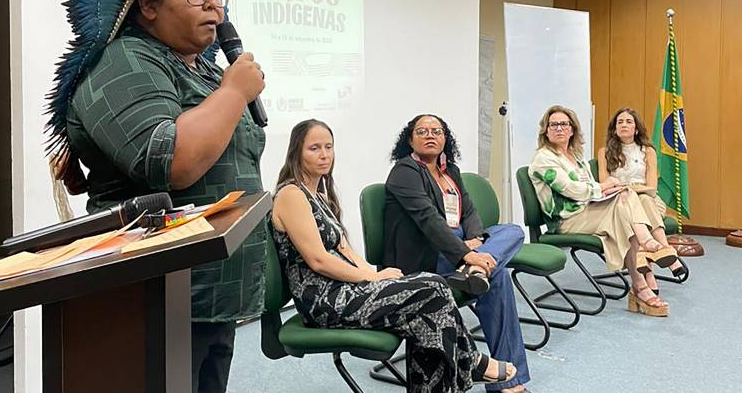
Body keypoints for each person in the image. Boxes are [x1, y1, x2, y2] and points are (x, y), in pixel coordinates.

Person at [45, 0, 266, 391]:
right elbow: (173, 160)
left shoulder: (204, 68)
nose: (215, 6)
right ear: (146, 5)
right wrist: (236, 92)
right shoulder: (126, 60)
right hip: (158, 295)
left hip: (209, 291)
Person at [270, 119, 517, 392]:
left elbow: (345, 251)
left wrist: (374, 276)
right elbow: (318, 260)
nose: (324, 154)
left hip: (344, 290)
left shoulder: (318, 195)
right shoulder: (292, 194)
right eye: (314, 148)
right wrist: (369, 277)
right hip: (324, 301)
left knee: (425, 319)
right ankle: (468, 359)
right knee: (430, 289)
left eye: (328, 147)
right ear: (296, 152)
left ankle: (455, 371)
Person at [383, 114, 531, 393]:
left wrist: (476, 240)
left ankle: (478, 271)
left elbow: (471, 211)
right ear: (410, 139)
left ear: (445, 138)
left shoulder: (449, 170)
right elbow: (428, 220)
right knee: (499, 278)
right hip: (428, 254)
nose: (430, 135)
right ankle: (509, 385)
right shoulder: (405, 171)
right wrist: (466, 255)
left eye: (437, 131)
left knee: (512, 230)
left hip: (463, 250)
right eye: (422, 131)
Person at [529, 105, 678, 317]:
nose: (559, 128)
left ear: (572, 130)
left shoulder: (575, 156)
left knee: (625, 200)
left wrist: (610, 188)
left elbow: (589, 189)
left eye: (564, 124)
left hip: (588, 210)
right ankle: (644, 266)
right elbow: (575, 191)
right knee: (625, 210)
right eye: (554, 125)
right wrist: (605, 186)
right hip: (566, 220)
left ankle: (640, 284)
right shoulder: (544, 158)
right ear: (546, 130)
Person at [597, 107, 687, 293]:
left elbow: (652, 187)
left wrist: (628, 188)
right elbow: (604, 183)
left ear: (636, 128)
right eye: (619, 122)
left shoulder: (648, 151)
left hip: (649, 200)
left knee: (644, 201)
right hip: (619, 200)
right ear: (614, 129)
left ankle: (649, 274)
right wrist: (627, 190)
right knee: (636, 209)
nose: (624, 125)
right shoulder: (604, 152)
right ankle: (664, 253)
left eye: (629, 122)